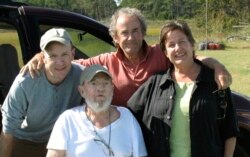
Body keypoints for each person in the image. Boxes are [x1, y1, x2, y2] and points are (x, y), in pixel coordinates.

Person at [127, 20, 239, 157]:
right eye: (171, 45)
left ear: (192, 44)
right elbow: (128, 116)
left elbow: (230, 127)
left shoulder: (214, 82)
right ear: (165, 52)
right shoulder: (155, 84)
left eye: (182, 42)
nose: (177, 48)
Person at [21, 7, 232, 106]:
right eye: (124, 33)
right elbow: (66, 61)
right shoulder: (105, 62)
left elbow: (189, 59)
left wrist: (217, 65)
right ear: (115, 38)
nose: (130, 37)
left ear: (142, 32)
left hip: (159, 133)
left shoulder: (160, 54)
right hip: (122, 135)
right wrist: (42, 56)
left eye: (135, 30)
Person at [42, 64, 150, 157]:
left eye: (106, 83)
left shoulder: (127, 118)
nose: (100, 88)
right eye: (93, 83)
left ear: (112, 89)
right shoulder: (68, 120)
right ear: (81, 90)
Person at [0, 28, 84, 157]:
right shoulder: (26, 81)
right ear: (42, 56)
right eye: (52, 56)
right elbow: (7, 131)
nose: (59, 62)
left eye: (64, 54)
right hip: (29, 141)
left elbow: (104, 73)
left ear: (73, 53)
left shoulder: (82, 75)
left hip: (65, 144)